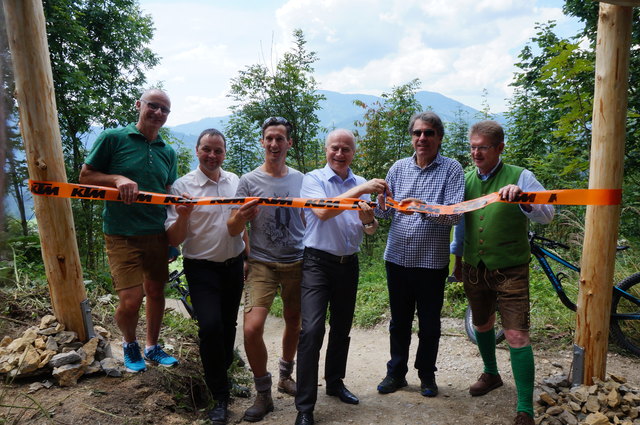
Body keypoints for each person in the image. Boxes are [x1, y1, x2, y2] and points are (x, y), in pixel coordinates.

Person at [450, 120, 554, 425]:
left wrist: (524, 199)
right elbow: (460, 225)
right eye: (472, 147)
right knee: (482, 325)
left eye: (482, 147)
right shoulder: (466, 179)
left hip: (511, 268)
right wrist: (457, 261)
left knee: (516, 334)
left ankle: (525, 407)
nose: (476, 153)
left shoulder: (521, 176)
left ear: (500, 148)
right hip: (473, 266)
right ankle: (491, 374)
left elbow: (548, 215)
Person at [294, 129, 389, 425]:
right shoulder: (313, 180)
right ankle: (305, 407)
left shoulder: (360, 183)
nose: (339, 153)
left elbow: (370, 229)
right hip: (316, 263)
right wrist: (360, 192)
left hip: (349, 263)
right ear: (326, 150)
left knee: (342, 327)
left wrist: (368, 220)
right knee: (311, 331)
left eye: (346, 149)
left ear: (353, 153)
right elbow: (322, 212)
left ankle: (335, 382)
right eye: (335, 148)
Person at [79, 88, 178, 372]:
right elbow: (85, 177)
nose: (158, 113)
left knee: (157, 293)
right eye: (153, 106)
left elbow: (169, 194)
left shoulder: (167, 151)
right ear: (139, 105)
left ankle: (152, 346)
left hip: (157, 232)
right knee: (132, 299)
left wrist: (173, 238)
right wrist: (117, 178)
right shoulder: (113, 138)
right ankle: (129, 343)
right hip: (121, 232)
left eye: (164, 110)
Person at [374, 111, 464, 398]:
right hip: (397, 258)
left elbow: (455, 215)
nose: (422, 138)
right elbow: (384, 213)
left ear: (439, 137)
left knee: (429, 324)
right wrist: (376, 206)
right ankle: (396, 374)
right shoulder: (398, 168)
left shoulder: (452, 169)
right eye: (417, 133)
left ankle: (427, 375)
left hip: (432, 261)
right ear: (412, 137)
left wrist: (423, 208)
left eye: (428, 133)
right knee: (398, 321)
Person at [165, 128, 247, 425]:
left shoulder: (235, 181)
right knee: (210, 326)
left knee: (228, 325)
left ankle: (222, 378)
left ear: (224, 153)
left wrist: (247, 256)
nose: (212, 155)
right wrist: (184, 214)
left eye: (218, 150)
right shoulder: (183, 186)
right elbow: (173, 237)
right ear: (197, 150)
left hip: (234, 264)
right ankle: (220, 397)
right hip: (200, 267)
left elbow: (241, 222)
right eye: (207, 149)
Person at [227, 116, 305, 423]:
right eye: (269, 138)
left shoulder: (301, 179)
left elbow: (313, 217)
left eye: (280, 138)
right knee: (251, 327)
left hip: (298, 260)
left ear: (289, 143)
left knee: (294, 321)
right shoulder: (247, 181)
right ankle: (263, 392)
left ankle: (287, 376)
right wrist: (242, 217)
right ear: (262, 142)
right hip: (261, 262)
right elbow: (232, 228)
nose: (274, 144)